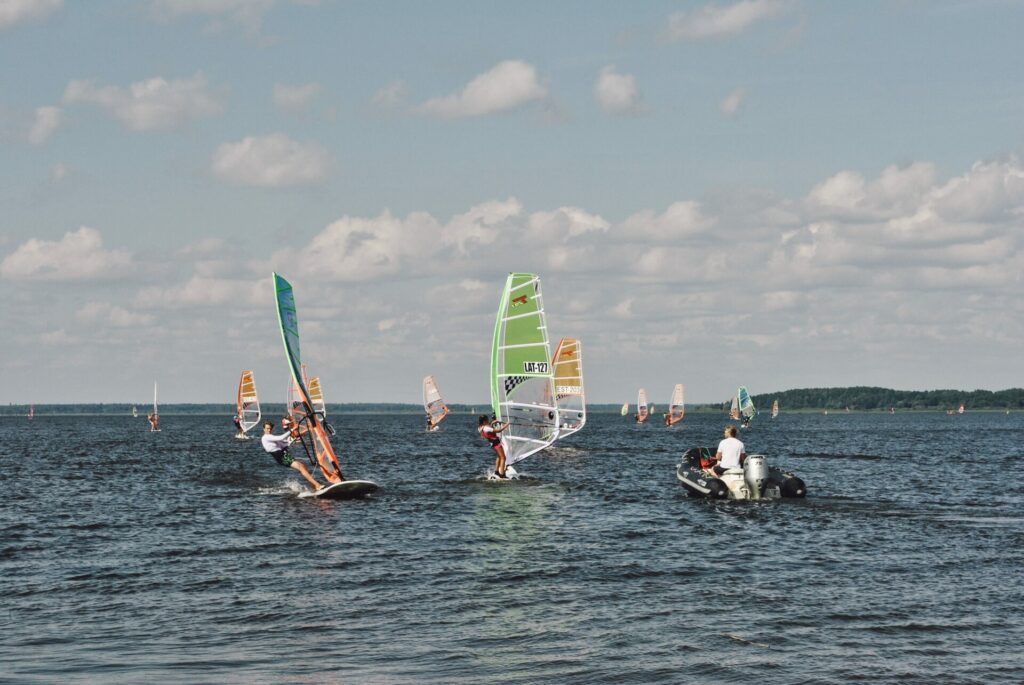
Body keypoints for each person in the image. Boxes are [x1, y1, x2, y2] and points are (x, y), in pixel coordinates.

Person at [260, 419, 325, 491]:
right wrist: (292, 429)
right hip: (281, 457)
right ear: (264, 429)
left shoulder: (271, 437)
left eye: (270, 428)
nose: (269, 430)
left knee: (304, 467)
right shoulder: (266, 437)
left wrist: (305, 431)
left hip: (284, 454)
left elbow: (285, 443)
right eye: (267, 428)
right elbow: (281, 438)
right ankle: (317, 485)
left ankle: (313, 486)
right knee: (300, 467)